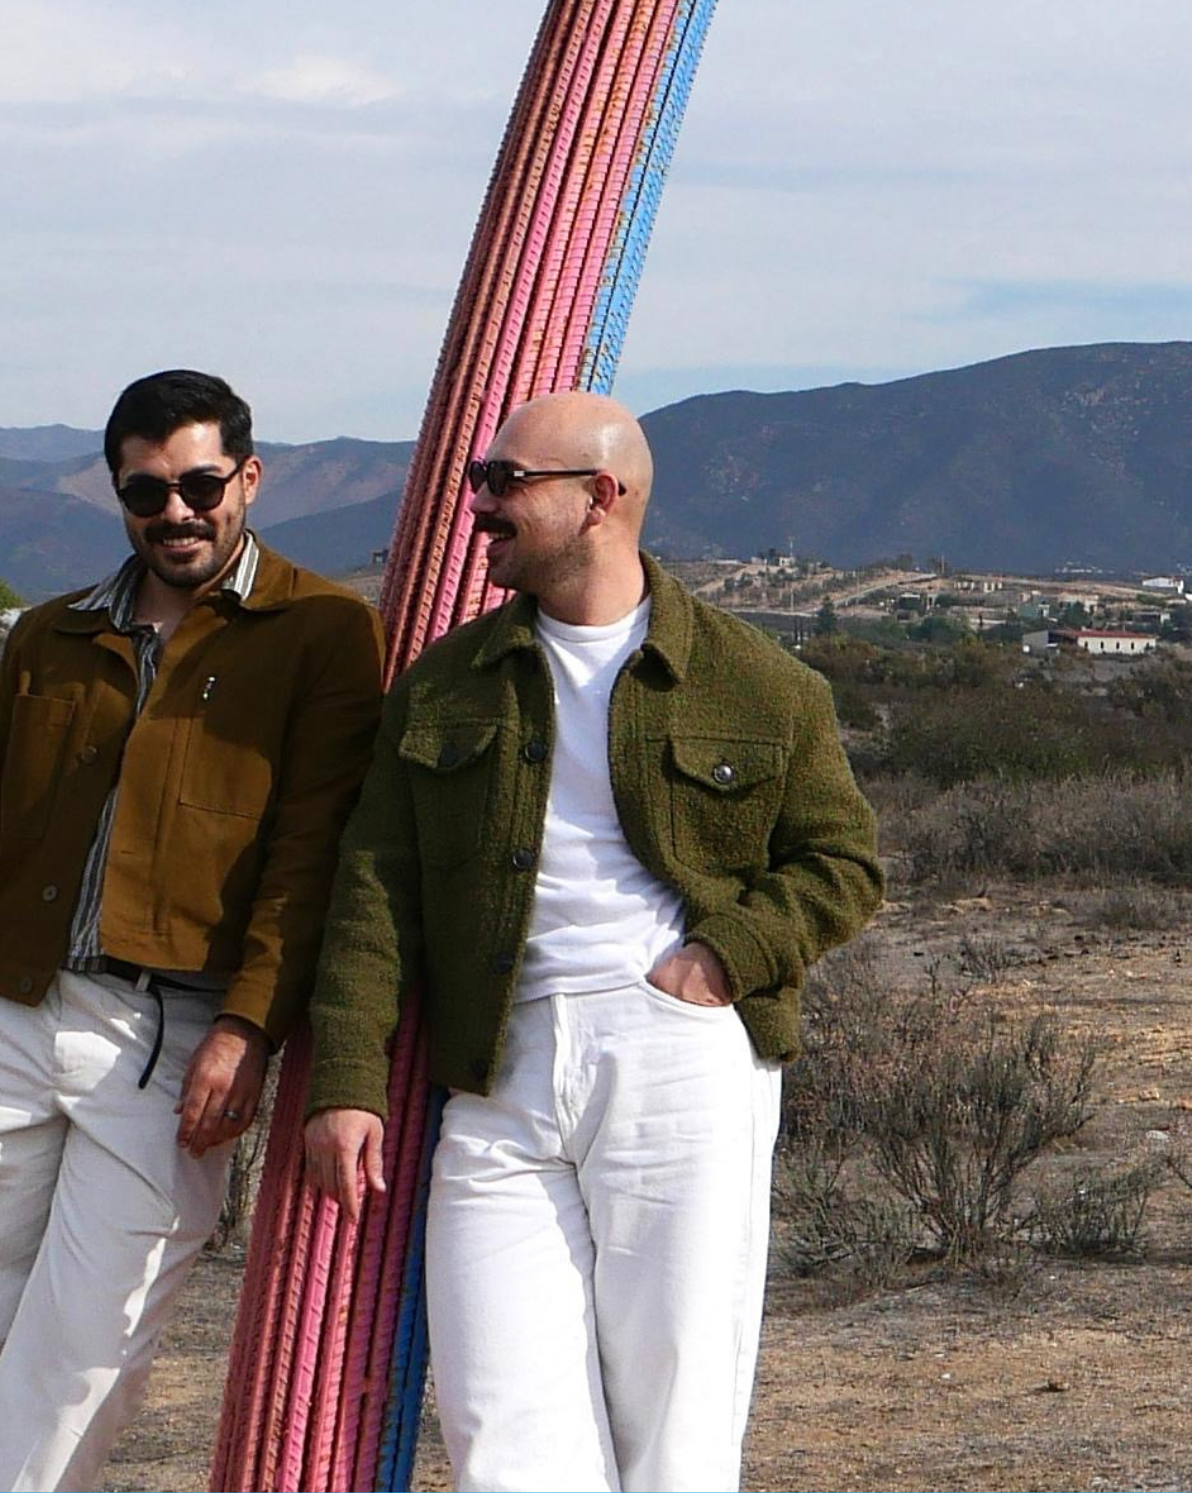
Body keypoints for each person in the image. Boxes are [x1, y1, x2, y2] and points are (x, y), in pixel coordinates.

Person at [303, 393, 883, 1493]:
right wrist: (346, 1076)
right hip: (496, 1068)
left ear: (599, 498)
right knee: (500, 1418)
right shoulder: (444, 683)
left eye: (505, 480)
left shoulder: (761, 683)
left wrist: (717, 959)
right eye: (482, 479)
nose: (481, 503)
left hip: (678, 1054)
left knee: (676, 1412)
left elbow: (843, 864)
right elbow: (373, 890)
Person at [0, 369, 384, 1493]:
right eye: (148, 491)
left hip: (166, 1031)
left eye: (199, 483)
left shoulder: (322, 632)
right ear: (118, 494)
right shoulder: (52, 634)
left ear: (249, 476)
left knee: (88, 1345)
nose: (176, 511)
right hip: (1, 1010)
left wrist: (248, 1027)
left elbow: (309, 860)